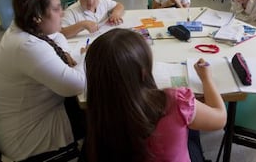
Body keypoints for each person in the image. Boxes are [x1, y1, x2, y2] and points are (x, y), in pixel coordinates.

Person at [85, 28, 227, 162]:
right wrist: (206, 79)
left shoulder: (100, 113)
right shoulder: (175, 101)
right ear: (143, 72)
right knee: (191, 128)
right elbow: (220, 118)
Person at [0, 0, 86, 161]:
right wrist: (87, 57)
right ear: (38, 17)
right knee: (104, 114)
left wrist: (64, 53)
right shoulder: (26, 46)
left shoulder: (23, 25)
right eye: (56, 9)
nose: (62, 13)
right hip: (26, 136)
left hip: (26, 117)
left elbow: (58, 36)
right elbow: (77, 84)